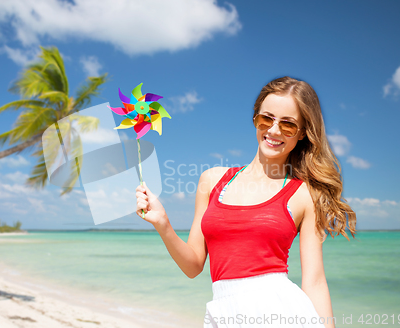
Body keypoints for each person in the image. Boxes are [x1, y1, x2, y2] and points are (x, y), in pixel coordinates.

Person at [135, 76, 356, 328]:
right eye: (266, 119)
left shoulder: (304, 194)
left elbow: (315, 282)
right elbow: (193, 266)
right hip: (224, 313)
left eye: (288, 125)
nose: (273, 130)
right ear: (255, 119)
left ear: (303, 133)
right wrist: (163, 223)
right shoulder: (212, 180)